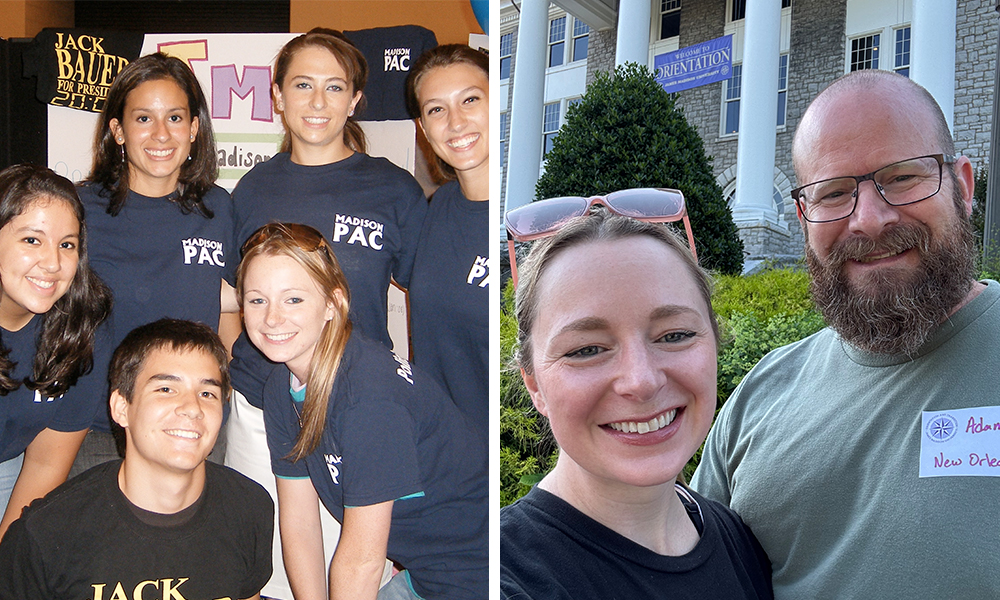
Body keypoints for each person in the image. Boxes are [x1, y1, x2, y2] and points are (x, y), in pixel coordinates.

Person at [691, 69, 1000, 599]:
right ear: (803, 216)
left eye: (902, 178)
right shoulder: (760, 397)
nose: (870, 220)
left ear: (963, 187)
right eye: (833, 193)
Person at [224, 28, 428, 599]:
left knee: (354, 570)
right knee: (263, 569)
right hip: (261, 406)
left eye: (334, 87)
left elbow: (427, 300)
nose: (318, 102)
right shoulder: (251, 190)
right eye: (302, 85)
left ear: (355, 98)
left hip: (354, 413)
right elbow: (230, 299)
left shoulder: (393, 189)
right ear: (277, 95)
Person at [500, 208, 772, 599]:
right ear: (534, 385)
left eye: (674, 335)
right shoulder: (505, 578)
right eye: (587, 350)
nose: (641, 382)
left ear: (715, 344)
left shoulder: (742, 543)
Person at [238, 222, 487, 600]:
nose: (272, 318)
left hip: (478, 574)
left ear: (332, 303)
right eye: (257, 300)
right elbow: (300, 523)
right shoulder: (280, 387)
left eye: (293, 300)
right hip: (427, 573)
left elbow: (361, 562)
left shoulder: (368, 398)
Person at [0, 319, 273, 600]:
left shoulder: (247, 507)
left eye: (207, 393)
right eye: (166, 389)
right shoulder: (47, 533)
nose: (193, 408)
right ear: (121, 408)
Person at [72, 52, 236, 473]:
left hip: (191, 423)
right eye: (144, 118)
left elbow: (227, 309)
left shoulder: (218, 209)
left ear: (194, 128)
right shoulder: (80, 210)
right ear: (118, 130)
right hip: (99, 430)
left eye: (175, 118)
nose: (161, 134)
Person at [0, 164, 112, 540]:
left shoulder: (83, 327)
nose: (52, 263)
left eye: (67, 244)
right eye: (32, 240)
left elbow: (46, 465)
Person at [405, 44, 489, 443]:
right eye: (437, 109)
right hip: (438, 447)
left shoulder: (524, 220)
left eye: (470, 100)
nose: (456, 122)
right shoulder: (438, 207)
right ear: (423, 128)